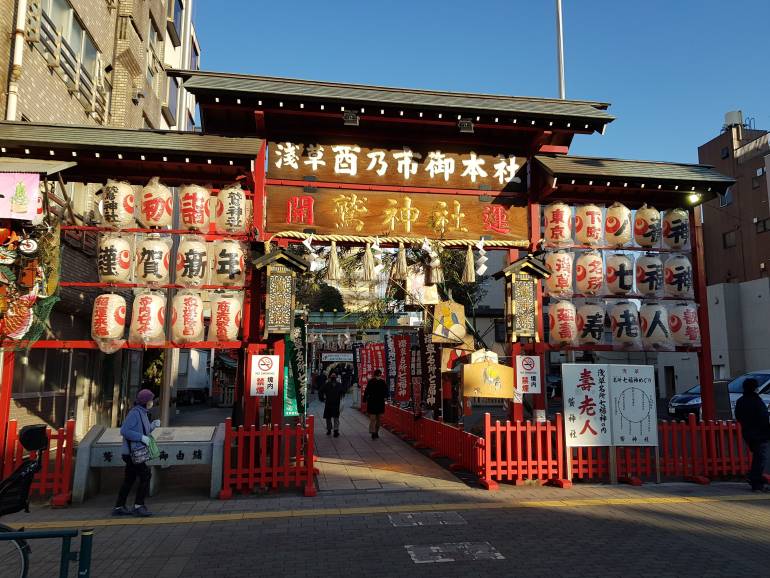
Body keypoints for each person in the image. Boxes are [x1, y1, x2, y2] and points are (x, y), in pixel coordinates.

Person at [113, 389, 161, 517]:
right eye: (150, 400)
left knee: (130, 479)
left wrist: (153, 426)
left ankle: (119, 506)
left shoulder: (143, 413)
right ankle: (138, 506)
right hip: (132, 453)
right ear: (145, 401)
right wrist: (141, 437)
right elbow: (124, 430)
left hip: (134, 453)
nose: (152, 402)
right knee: (145, 475)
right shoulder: (135, 413)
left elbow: (144, 430)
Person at [734, 378, 770, 492]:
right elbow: (764, 418)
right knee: (761, 458)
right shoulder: (756, 401)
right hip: (761, 434)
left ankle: (756, 478)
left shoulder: (741, 401)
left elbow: (738, 416)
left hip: (748, 433)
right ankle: (756, 481)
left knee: (758, 457)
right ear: (754, 388)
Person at [363, 369, 388, 440]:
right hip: (376, 403)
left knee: (376, 419)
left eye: (379, 375)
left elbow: (366, 391)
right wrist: (365, 399)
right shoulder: (375, 382)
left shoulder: (379, 382)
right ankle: (374, 432)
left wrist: (365, 399)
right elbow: (367, 390)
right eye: (378, 374)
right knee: (375, 419)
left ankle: (375, 432)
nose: (379, 376)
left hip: (376, 402)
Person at [321, 372, 345, 437]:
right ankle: (335, 430)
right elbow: (343, 392)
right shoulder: (339, 385)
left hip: (329, 403)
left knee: (329, 417)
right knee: (335, 417)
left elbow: (321, 391)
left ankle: (331, 430)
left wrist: (322, 399)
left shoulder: (327, 384)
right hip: (335, 403)